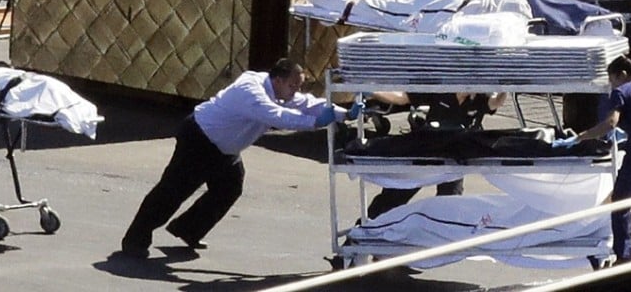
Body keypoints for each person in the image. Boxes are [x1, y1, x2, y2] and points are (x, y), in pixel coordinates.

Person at [120, 58, 362, 258]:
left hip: (225, 149)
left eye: (298, 86)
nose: (296, 91)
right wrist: (315, 123)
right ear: (277, 80)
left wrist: (343, 114)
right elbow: (275, 116)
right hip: (200, 140)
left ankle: (187, 229)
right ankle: (135, 240)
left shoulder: (280, 91)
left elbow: (307, 104)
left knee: (229, 187)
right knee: (172, 192)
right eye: (293, 85)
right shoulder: (251, 89)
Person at [569, 50, 631, 263]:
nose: (611, 85)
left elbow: (611, 123)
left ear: (621, 74)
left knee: (621, 204)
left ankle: (624, 256)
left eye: (611, 79)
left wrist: (581, 137)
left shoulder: (622, 91)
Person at [363, 91, 507, 218]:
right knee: (394, 195)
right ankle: (365, 230)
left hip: (454, 157)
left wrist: (505, 88)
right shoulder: (440, 90)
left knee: (449, 202)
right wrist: (370, 91)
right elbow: (402, 98)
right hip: (425, 151)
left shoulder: (478, 99)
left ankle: (442, 239)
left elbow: (496, 102)